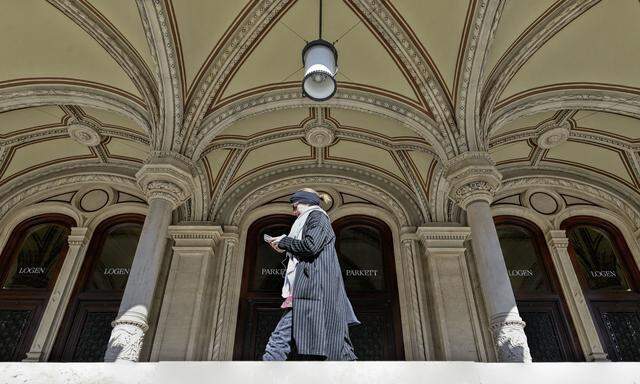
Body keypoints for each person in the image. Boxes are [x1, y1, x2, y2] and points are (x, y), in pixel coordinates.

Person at [262, 188, 359, 361]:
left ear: (304, 202)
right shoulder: (313, 219)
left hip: (312, 288)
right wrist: (284, 243)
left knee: (279, 340)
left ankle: (264, 374)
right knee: (335, 341)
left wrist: (284, 241)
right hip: (311, 289)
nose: (293, 212)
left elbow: (310, 246)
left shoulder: (318, 217)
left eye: (294, 206)